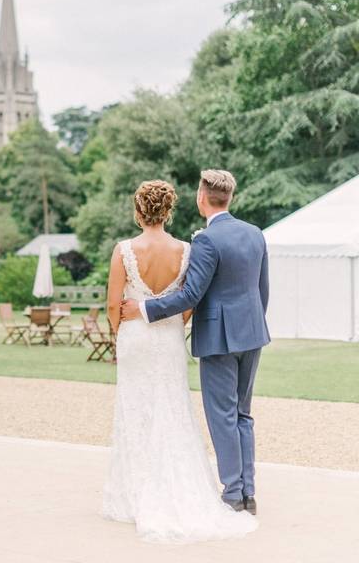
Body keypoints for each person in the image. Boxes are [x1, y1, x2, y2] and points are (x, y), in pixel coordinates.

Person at [102, 176, 259, 543]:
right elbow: (191, 301)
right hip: (181, 337)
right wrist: (174, 326)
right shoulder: (189, 249)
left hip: (136, 337)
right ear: (168, 210)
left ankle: (139, 493)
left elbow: (114, 304)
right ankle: (234, 490)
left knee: (136, 411)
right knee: (179, 410)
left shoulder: (125, 249)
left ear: (139, 210)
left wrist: (120, 329)